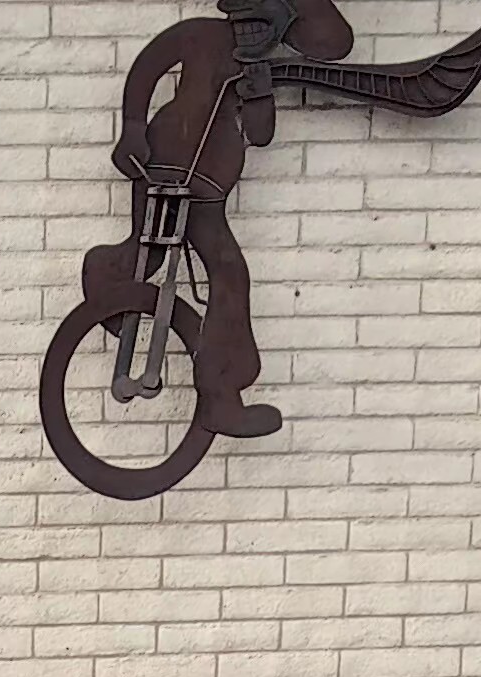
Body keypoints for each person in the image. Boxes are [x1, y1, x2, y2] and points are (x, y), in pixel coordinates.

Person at [108, 0, 358, 441]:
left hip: (207, 188)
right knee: (148, 257)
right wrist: (131, 128)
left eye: (263, 26)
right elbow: (148, 66)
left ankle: (221, 396)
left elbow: (260, 136)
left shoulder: (259, 69)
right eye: (246, 22)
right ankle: (104, 280)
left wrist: (259, 95)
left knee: (228, 276)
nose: (251, 33)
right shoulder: (199, 34)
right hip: (163, 165)